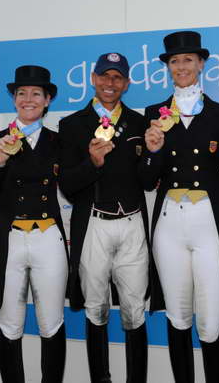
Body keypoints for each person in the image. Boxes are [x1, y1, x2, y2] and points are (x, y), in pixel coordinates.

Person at [141, 31, 219, 383]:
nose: (181, 66)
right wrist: (153, 152)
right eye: (174, 61)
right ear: (168, 67)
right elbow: (147, 179)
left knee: (212, 318)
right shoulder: (154, 114)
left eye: (188, 59)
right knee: (177, 315)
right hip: (169, 223)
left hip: (208, 221)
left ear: (201, 64)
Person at [0, 65, 68, 383]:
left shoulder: (60, 142)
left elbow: (75, 185)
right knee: (10, 323)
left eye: (36, 93)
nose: (28, 99)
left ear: (47, 99)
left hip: (48, 237)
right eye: (22, 93)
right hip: (10, 240)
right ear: (14, 99)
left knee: (51, 322)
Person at [58, 52, 150, 383]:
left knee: (134, 310)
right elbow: (67, 185)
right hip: (94, 223)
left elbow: (148, 179)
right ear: (93, 79)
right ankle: (101, 378)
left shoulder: (140, 123)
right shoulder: (71, 125)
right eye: (104, 76)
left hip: (132, 224)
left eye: (117, 77)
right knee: (96, 308)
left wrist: (154, 154)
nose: (110, 83)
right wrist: (92, 164)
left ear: (126, 83)